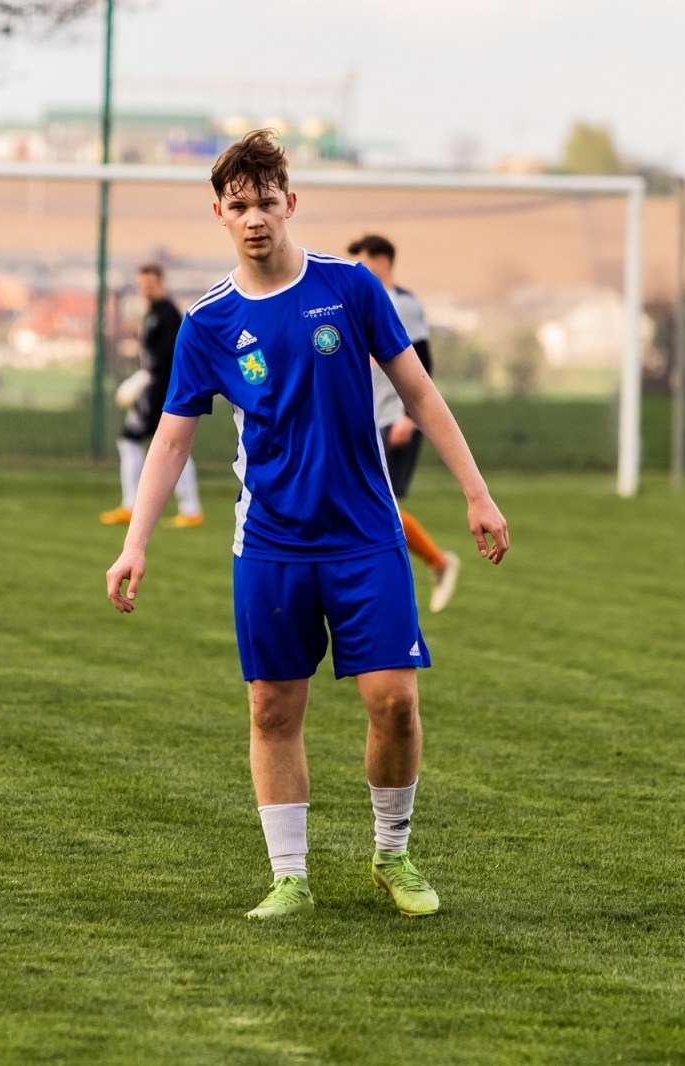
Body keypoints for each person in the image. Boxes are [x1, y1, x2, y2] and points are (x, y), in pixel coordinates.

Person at [105, 130, 509, 920]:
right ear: (218, 214)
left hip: (365, 536)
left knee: (394, 701)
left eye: (266, 201)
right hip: (272, 546)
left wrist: (477, 494)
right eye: (238, 205)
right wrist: (136, 542)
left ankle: (392, 856)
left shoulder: (352, 288)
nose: (254, 217)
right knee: (272, 710)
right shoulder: (208, 324)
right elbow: (174, 436)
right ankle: (289, 876)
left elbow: (421, 396)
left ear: (291, 203)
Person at [347, 234, 459, 613]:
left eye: (364, 261)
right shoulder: (363, 302)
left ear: (383, 261)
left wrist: (408, 418)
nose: (359, 269)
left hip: (396, 422)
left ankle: (435, 566)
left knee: (381, 507)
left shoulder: (404, 305)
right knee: (371, 506)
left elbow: (423, 366)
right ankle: (422, 570)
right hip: (369, 420)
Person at [99, 264, 203, 528]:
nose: (146, 289)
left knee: (145, 442)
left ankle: (136, 505)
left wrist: (141, 378)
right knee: (165, 445)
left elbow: (168, 355)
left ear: (161, 283)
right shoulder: (153, 313)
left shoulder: (168, 314)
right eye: (142, 285)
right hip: (154, 388)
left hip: (161, 389)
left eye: (151, 284)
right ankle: (186, 508)